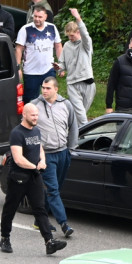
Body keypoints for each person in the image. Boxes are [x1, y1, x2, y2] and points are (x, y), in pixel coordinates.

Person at [0, 103, 68, 255]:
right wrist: (34, 166)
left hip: (34, 177)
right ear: (24, 115)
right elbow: (18, 159)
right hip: (18, 178)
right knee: (10, 209)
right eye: (33, 115)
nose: (36, 118)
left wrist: (42, 161)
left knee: (40, 208)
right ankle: (5, 238)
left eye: (37, 115)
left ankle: (49, 242)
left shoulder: (36, 130)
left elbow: (40, 148)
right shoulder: (17, 133)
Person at [35, 77, 79, 239]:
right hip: (46, 155)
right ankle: (64, 224)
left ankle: (39, 218)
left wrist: (71, 149)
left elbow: (73, 127)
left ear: (56, 89)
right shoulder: (35, 105)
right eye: (43, 88)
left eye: (48, 88)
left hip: (63, 153)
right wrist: (36, 155)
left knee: (56, 188)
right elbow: (27, 129)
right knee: (53, 190)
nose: (44, 91)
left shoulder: (66, 105)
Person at [15, 7, 63, 104]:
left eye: (40, 17)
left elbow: (58, 46)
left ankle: (50, 116)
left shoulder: (52, 28)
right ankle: (29, 118)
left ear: (45, 17)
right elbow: (18, 49)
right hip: (31, 71)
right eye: (35, 16)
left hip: (48, 69)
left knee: (51, 96)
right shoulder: (25, 29)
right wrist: (18, 67)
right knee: (30, 100)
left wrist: (62, 64)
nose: (37, 19)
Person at [59, 7, 94, 126]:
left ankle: (76, 136)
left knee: (81, 114)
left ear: (78, 32)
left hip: (87, 82)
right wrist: (59, 68)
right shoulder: (67, 45)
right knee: (82, 117)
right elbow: (61, 63)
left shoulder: (86, 44)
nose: (70, 38)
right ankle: (83, 137)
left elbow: (86, 35)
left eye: (72, 35)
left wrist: (78, 18)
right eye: (68, 36)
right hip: (73, 83)